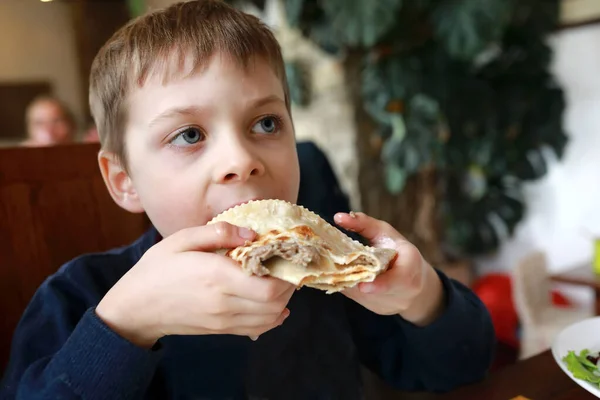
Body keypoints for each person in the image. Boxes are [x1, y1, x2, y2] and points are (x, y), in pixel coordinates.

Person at [0, 1, 495, 399]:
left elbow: (461, 366)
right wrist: (126, 326)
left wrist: (422, 297)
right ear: (124, 179)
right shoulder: (82, 297)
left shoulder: (330, 276)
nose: (242, 159)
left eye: (265, 123)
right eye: (189, 134)